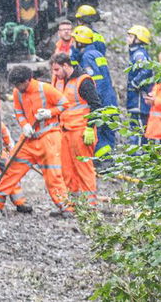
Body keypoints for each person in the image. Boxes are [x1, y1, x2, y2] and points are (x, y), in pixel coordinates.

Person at [0, 63, 72, 216]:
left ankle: (66, 208)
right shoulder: (17, 92)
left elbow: (65, 104)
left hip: (48, 137)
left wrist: (49, 112)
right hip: (29, 138)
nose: (16, 88)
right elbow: (19, 112)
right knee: (11, 168)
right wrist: (24, 125)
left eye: (18, 84)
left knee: (53, 175)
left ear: (27, 80)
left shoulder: (45, 89)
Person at [50, 52, 100, 208]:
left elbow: (96, 105)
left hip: (81, 131)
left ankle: (90, 205)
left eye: (57, 69)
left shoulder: (83, 81)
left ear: (66, 66)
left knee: (84, 168)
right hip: (64, 130)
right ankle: (72, 204)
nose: (55, 73)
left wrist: (90, 128)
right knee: (66, 170)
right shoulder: (58, 81)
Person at [72, 25, 120, 164]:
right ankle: (109, 163)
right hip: (110, 100)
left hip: (102, 101)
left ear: (79, 42)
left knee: (99, 134)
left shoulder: (87, 57)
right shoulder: (97, 53)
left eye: (74, 40)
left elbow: (95, 83)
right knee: (108, 133)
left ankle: (102, 163)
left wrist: (93, 102)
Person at [124, 24, 154, 142]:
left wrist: (135, 83)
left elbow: (146, 70)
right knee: (137, 130)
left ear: (138, 39)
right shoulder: (136, 53)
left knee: (139, 131)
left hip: (140, 102)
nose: (127, 39)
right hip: (136, 101)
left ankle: (139, 152)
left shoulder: (139, 54)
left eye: (130, 36)